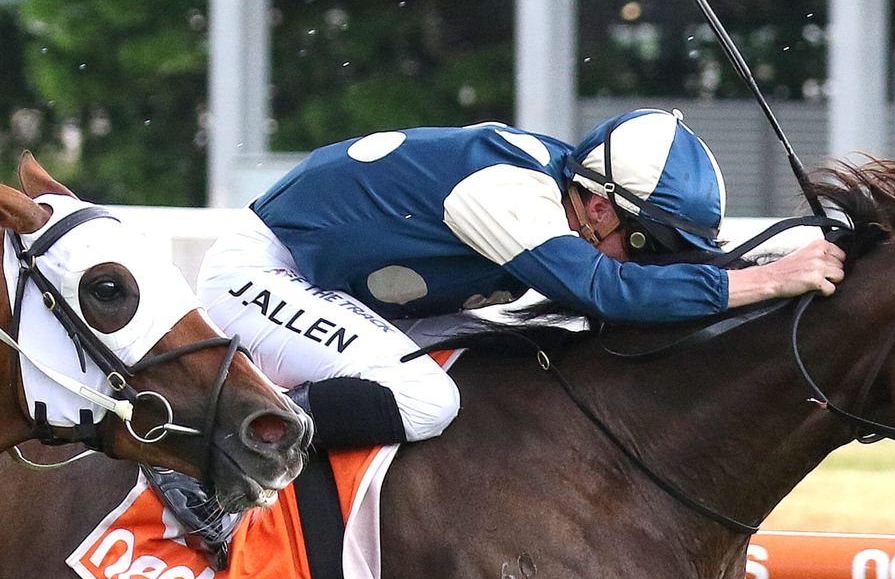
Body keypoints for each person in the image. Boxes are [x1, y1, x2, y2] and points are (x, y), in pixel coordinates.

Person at [196, 107, 846, 452]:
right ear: (597, 205)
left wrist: (793, 257)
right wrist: (767, 283)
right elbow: (606, 292)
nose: (647, 263)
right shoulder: (508, 191)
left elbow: (671, 274)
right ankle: (219, 450)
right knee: (427, 400)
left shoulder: (575, 195)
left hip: (341, 294)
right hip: (263, 275)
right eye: (647, 245)